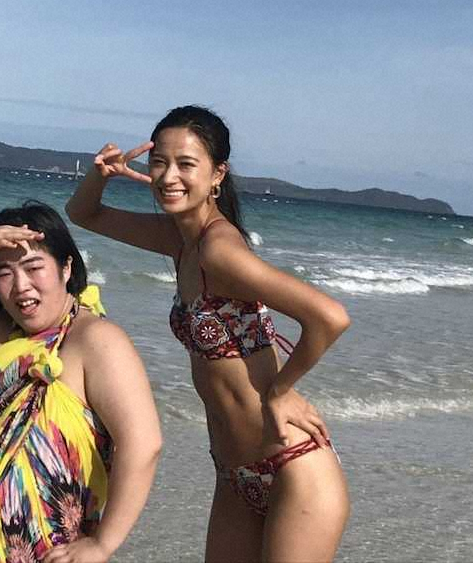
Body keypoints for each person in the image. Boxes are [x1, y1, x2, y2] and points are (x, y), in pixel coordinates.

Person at [66, 105, 350, 563]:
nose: (168, 177)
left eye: (186, 164)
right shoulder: (181, 241)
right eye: (159, 163)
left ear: (218, 174)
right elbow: (83, 214)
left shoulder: (218, 250)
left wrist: (281, 391)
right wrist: (102, 175)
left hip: (294, 467)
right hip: (233, 475)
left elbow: (329, 317)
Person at [0, 201, 162, 563]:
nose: (20, 286)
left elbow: (143, 444)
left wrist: (103, 544)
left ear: (66, 267)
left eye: (33, 267)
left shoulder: (96, 340)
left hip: (47, 551)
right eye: (4, 273)